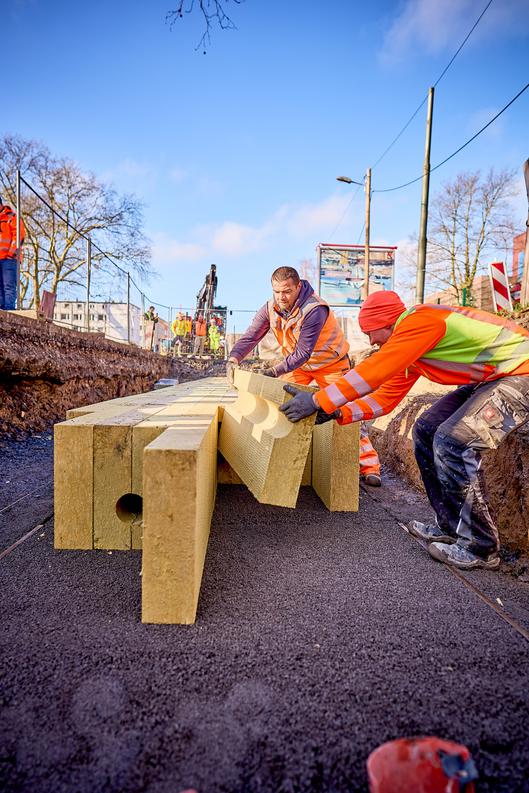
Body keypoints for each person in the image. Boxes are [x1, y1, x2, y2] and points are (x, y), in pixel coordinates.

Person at [280, 290, 529, 571]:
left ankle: (480, 547)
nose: (371, 341)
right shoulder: (411, 348)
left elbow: (374, 372)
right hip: (496, 376)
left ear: (388, 323)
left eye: (371, 332)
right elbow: (384, 399)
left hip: (521, 371)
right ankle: (450, 526)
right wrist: (337, 411)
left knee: (453, 441)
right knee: (425, 428)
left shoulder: (419, 323)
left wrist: (316, 400)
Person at [226, 266, 382, 486]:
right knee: (280, 403)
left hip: (331, 365)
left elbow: (302, 353)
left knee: (345, 412)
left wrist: (272, 371)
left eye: (287, 291)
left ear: (298, 286)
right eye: (277, 291)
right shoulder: (270, 308)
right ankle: (288, 461)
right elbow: (252, 336)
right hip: (298, 368)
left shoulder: (314, 309)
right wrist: (233, 359)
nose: (282, 297)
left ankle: (370, 466)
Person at [0, 196, 25, 311]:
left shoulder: (12, 217)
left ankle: (8, 311)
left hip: (9, 259)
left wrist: (11, 254)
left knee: (8, 286)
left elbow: (18, 235)